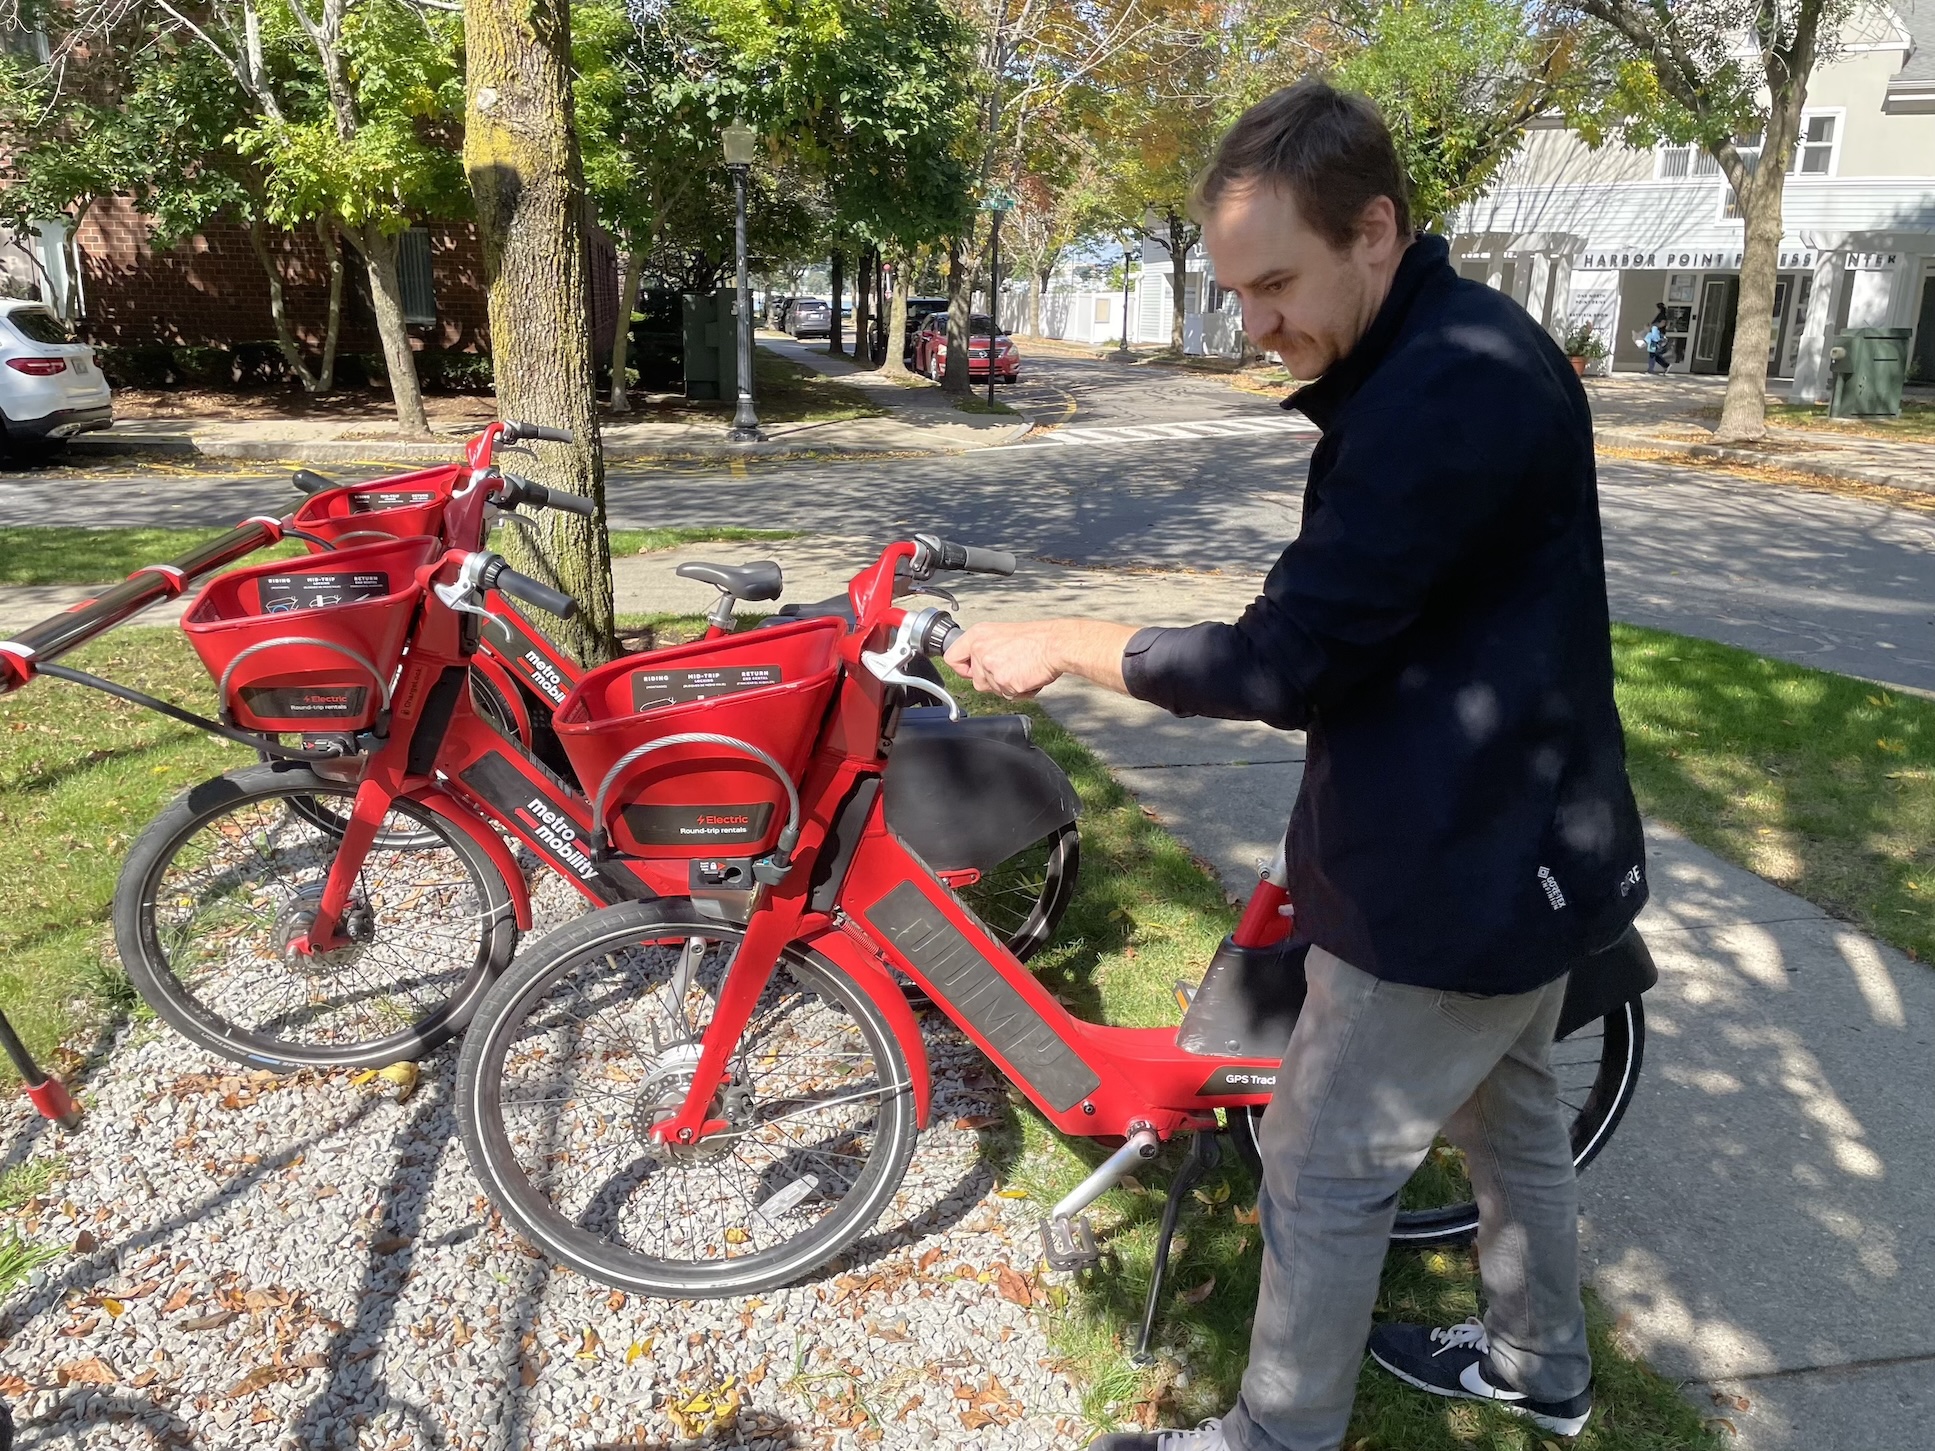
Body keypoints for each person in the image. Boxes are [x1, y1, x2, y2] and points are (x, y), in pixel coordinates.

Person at [944, 77, 1646, 1451]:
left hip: (1453, 883)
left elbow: (1281, 661)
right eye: (1233, 290)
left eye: (1273, 285)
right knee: (1509, 1124)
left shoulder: (1434, 395)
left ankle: (1272, 1434)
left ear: (1372, 228)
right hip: (1530, 854)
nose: (1253, 326)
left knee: (1321, 1173)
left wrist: (1064, 640)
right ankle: (1538, 1361)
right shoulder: (1456, 344)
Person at [1644, 308, 1670, 374]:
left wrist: (1652, 325)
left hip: (1657, 336)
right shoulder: (1660, 315)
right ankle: (1665, 365)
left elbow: (1662, 323)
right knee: (1654, 353)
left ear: (1659, 309)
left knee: (1652, 353)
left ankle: (1651, 369)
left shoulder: (1662, 316)